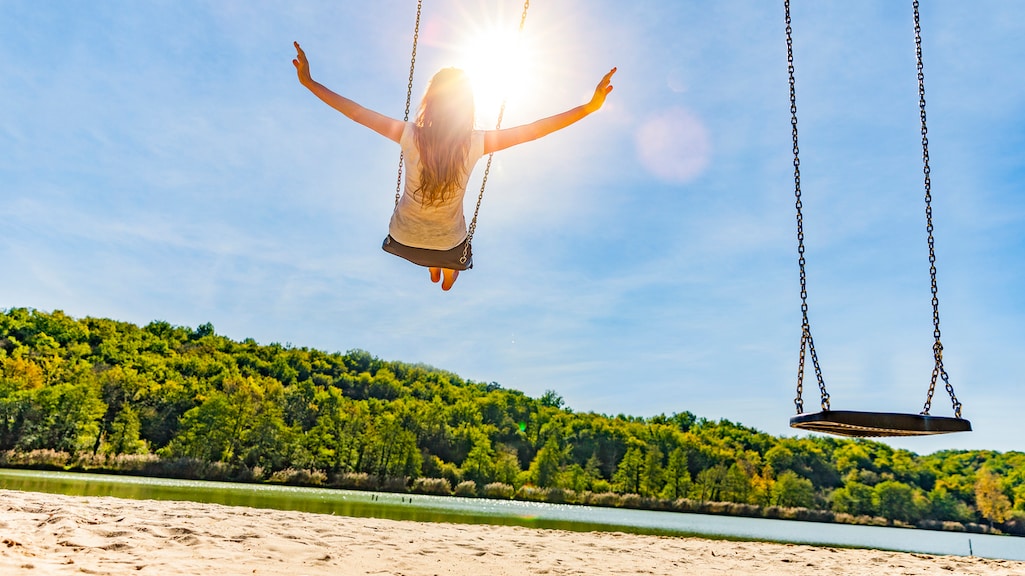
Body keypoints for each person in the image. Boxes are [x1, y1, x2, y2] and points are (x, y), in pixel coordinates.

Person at [293, 41, 615, 291]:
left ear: (430, 102)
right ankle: (441, 271)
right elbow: (534, 130)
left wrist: (309, 82)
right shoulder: (475, 142)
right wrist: (589, 107)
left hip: (402, 238)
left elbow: (355, 111)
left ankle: (433, 265)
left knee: (433, 248)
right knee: (448, 277)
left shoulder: (409, 135)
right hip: (449, 244)